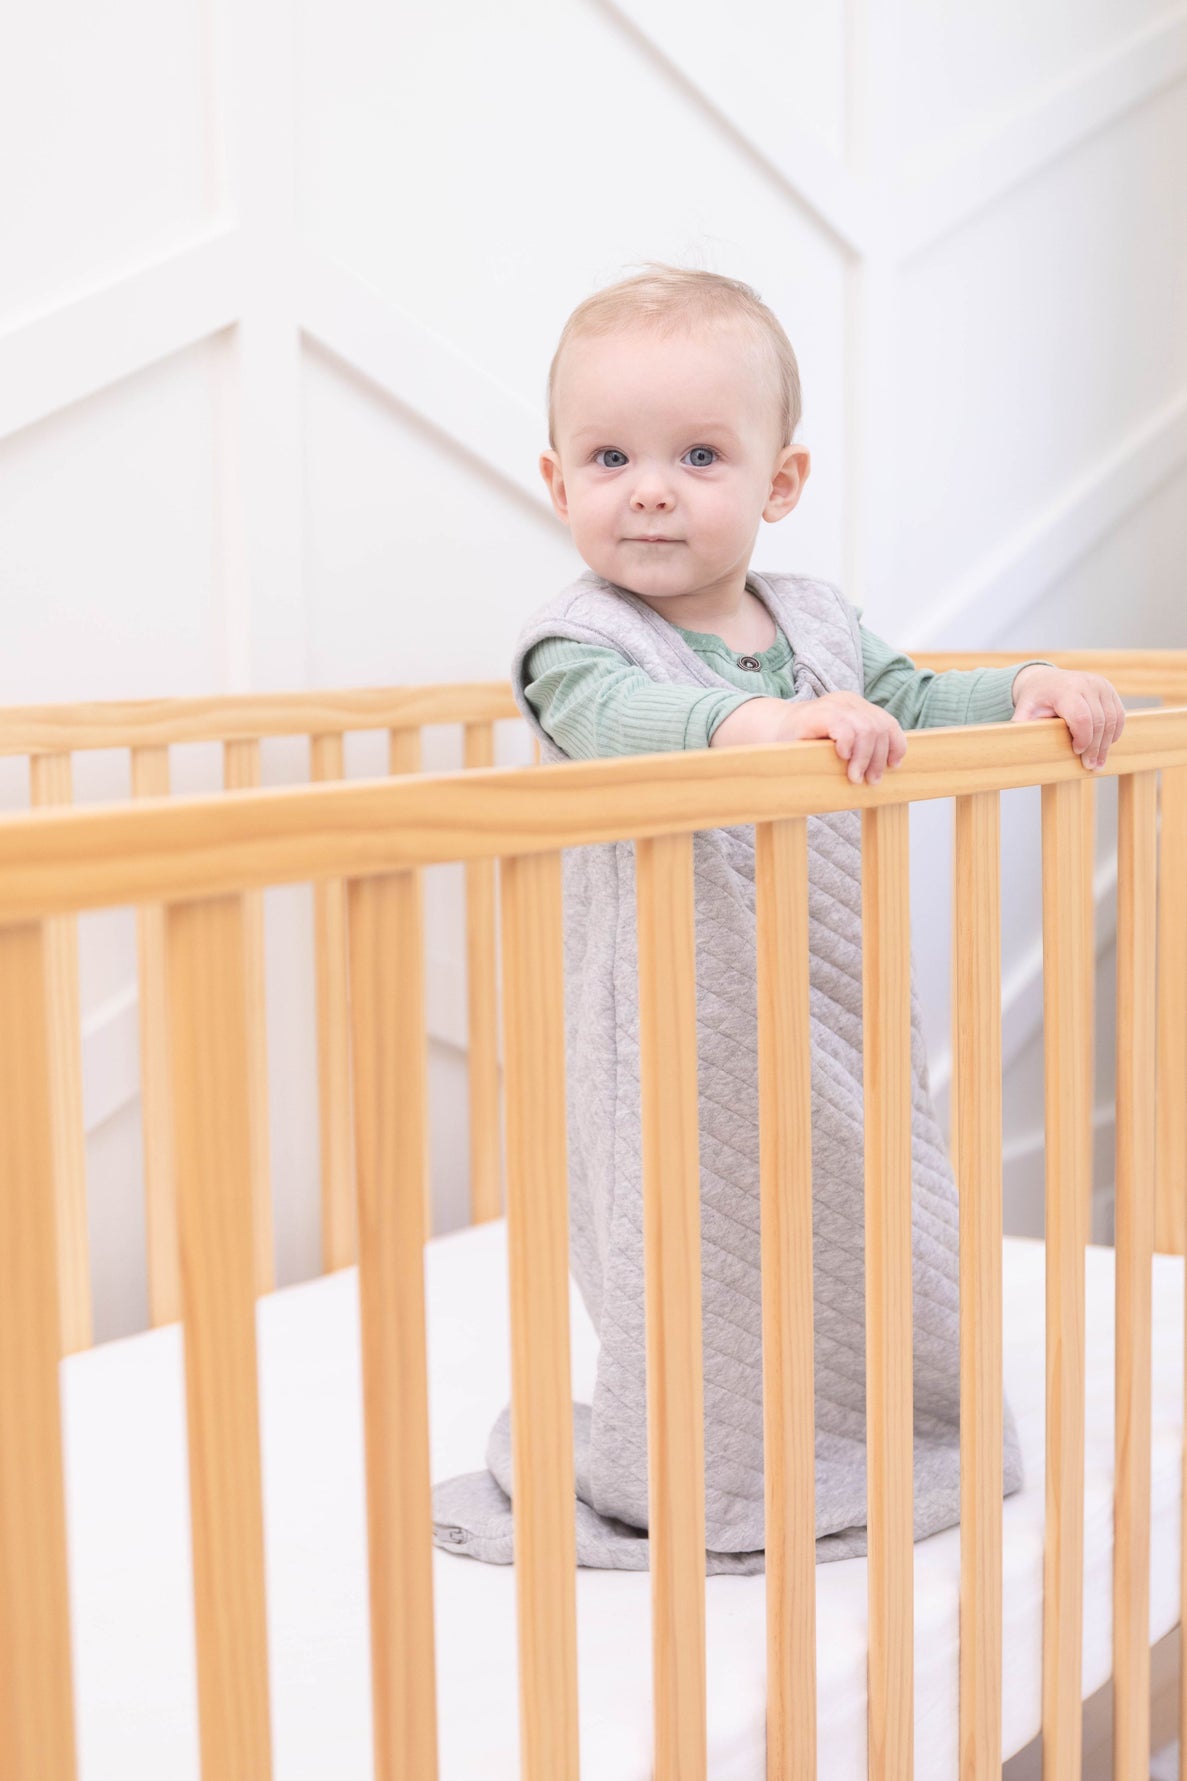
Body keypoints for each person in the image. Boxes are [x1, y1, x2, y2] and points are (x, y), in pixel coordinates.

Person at [430, 264, 1125, 1573]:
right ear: (558, 481)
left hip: (831, 1008)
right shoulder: (574, 643)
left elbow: (912, 702)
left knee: (870, 1220)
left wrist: (1024, 690)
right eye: (610, 457)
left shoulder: (814, 621)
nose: (650, 488)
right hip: (666, 1026)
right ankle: (711, 1462)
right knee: (691, 1249)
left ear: (780, 482)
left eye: (699, 455)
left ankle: (880, 1429)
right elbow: (619, 725)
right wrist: (753, 723)